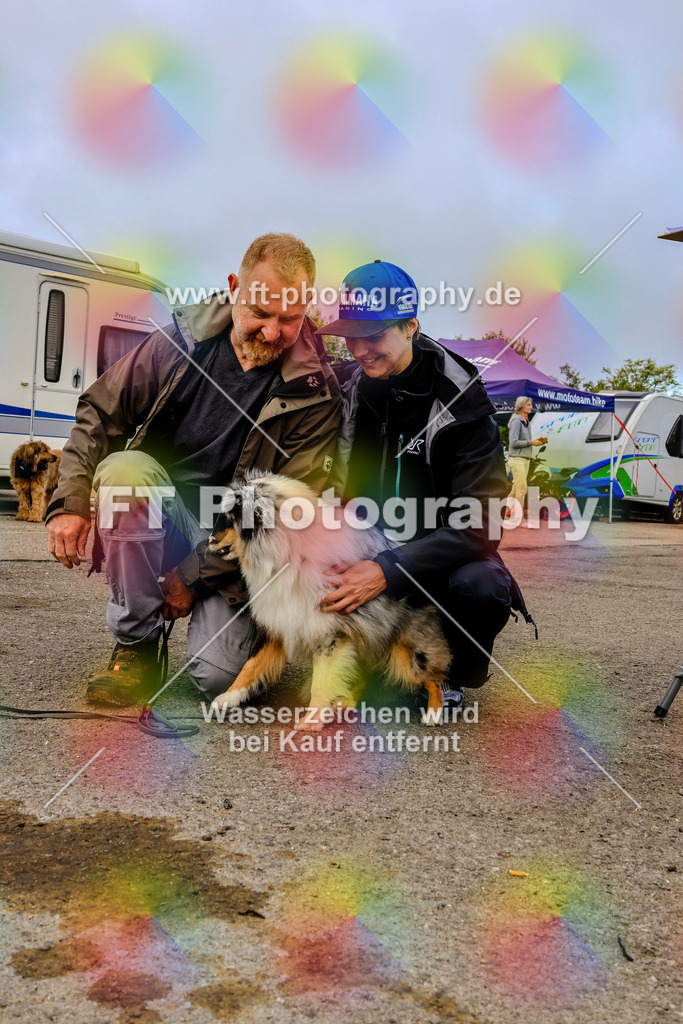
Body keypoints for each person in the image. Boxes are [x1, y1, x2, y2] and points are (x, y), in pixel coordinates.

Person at [46, 233, 342, 706]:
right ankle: (136, 644)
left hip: (239, 551)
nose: (272, 332)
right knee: (125, 473)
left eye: (290, 318)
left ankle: (260, 636)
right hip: (162, 518)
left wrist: (191, 575)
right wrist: (70, 501)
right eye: (261, 314)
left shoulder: (317, 391)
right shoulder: (177, 343)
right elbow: (99, 411)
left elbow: (285, 518)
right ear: (233, 287)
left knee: (217, 681)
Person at [316, 260, 533, 703]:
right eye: (351, 337)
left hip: (436, 559)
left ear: (411, 324)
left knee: (481, 586)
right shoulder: (349, 388)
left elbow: (481, 525)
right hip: (366, 544)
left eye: (373, 335)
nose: (359, 349)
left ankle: (451, 669)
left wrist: (386, 570)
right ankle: (370, 653)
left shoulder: (462, 400)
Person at [507, 397, 547, 520]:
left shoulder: (527, 421)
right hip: (516, 459)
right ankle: (518, 518)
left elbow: (525, 441)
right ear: (521, 406)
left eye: (531, 405)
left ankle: (503, 512)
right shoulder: (516, 421)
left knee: (515, 491)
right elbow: (513, 443)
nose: (531, 407)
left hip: (525, 459)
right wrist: (531, 442)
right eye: (528, 405)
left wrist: (536, 442)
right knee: (522, 489)